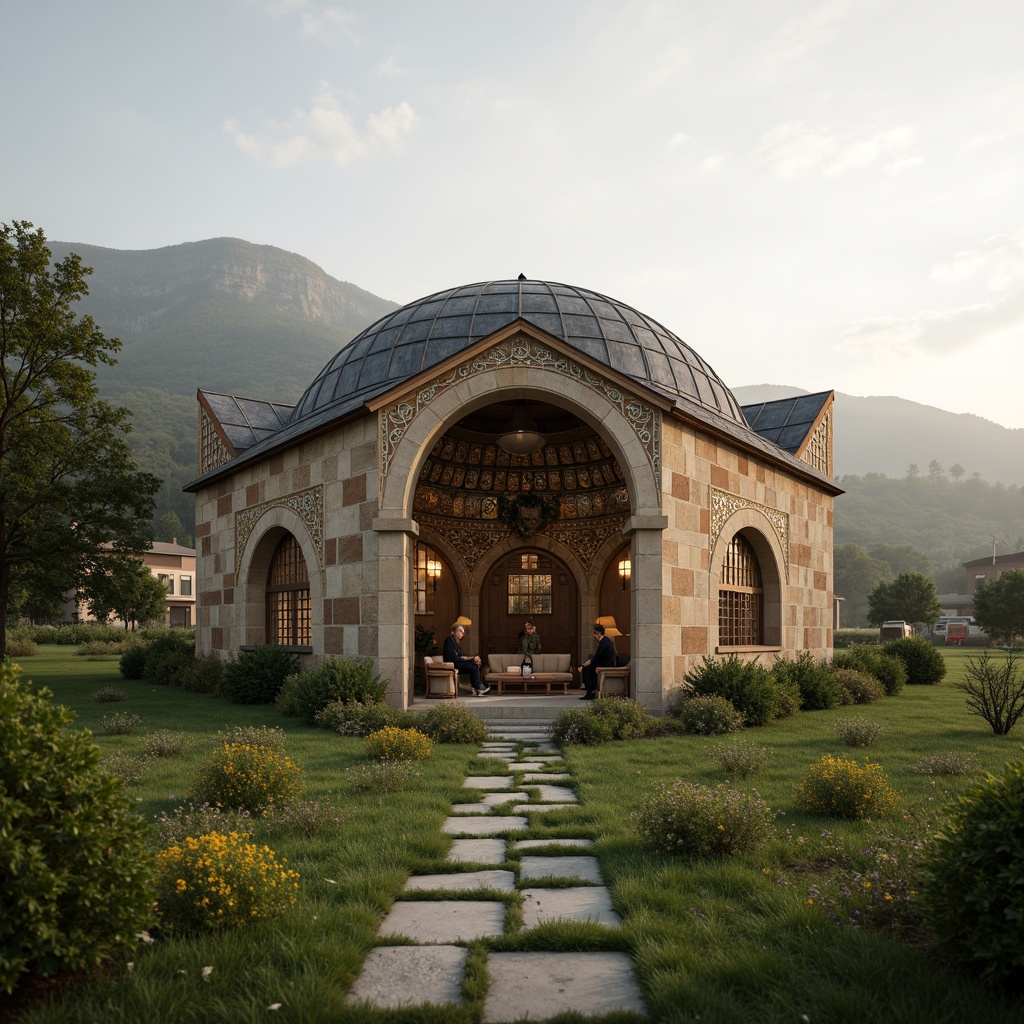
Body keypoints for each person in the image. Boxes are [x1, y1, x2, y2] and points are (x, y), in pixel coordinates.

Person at [443, 622, 489, 696]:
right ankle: (478, 688)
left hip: (456, 663)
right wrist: (471, 659)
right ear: (458, 631)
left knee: (475, 665)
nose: (462, 635)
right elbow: (453, 658)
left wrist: (473, 658)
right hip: (452, 664)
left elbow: (460, 657)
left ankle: (478, 686)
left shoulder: (454, 641)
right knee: (473, 667)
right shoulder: (450, 641)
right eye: (462, 633)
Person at [577, 623, 616, 700]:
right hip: (603, 662)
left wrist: (590, 661)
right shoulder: (605, 641)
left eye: (594, 633)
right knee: (587, 667)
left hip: (606, 664)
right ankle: (591, 690)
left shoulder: (604, 641)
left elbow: (599, 655)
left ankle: (590, 692)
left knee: (586, 669)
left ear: (598, 633)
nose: (594, 636)